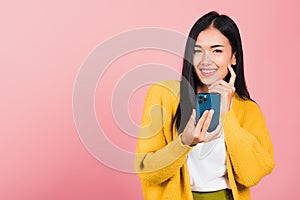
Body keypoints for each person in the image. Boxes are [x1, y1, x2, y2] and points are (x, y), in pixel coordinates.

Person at [135, 11, 275, 200]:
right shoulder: (163, 95)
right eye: (197, 51)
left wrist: (228, 113)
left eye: (217, 50)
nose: (205, 61)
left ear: (233, 57)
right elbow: (146, 170)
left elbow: (253, 173)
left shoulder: (248, 109)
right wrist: (184, 142)